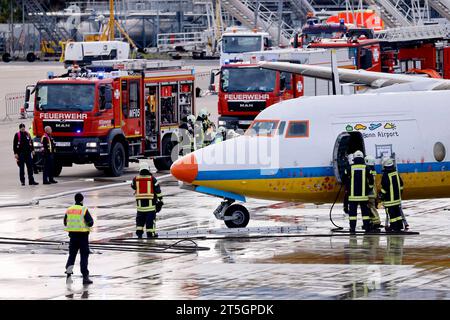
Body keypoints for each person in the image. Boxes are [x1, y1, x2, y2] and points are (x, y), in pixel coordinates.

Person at [64, 193, 94, 285]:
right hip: (83, 236)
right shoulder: (83, 209)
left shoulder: (69, 210)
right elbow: (90, 223)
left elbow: (65, 223)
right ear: (82, 200)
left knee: (72, 256)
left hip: (72, 236)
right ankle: (85, 277)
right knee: (84, 256)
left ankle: (68, 275)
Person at [131, 162, 163, 238]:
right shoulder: (152, 179)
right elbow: (158, 190)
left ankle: (139, 234)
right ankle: (150, 234)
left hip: (140, 207)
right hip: (150, 207)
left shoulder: (136, 179)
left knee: (140, 221)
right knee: (150, 221)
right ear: (148, 169)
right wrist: (160, 200)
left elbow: (133, 186)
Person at [347, 150, 374, 233]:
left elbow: (344, 178)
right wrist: (369, 188)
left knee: (352, 215)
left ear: (354, 158)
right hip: (363, 196)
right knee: (365, 213)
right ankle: (366, 227)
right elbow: (371, 180)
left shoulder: (350, 167)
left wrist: (348, 188)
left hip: (352, 196)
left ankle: (352, 228)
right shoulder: (366, 167)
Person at [379, 158, 404, 232]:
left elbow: (385, 187)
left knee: (392, 214)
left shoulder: (385, 175)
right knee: (398, 213)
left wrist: (381, 195)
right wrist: (400, 193)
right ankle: (400, 225)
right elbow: (401, 184)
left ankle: (393, 227)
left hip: (389, 200)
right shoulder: (396, 173)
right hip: (397, 199)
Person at [365, 155, 382, 230]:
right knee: (371, 208)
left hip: (370, 194)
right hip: (373, 193)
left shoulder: (368, 171)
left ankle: (376, 222)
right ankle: (373, 222)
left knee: (371, 209)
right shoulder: (373, 171)